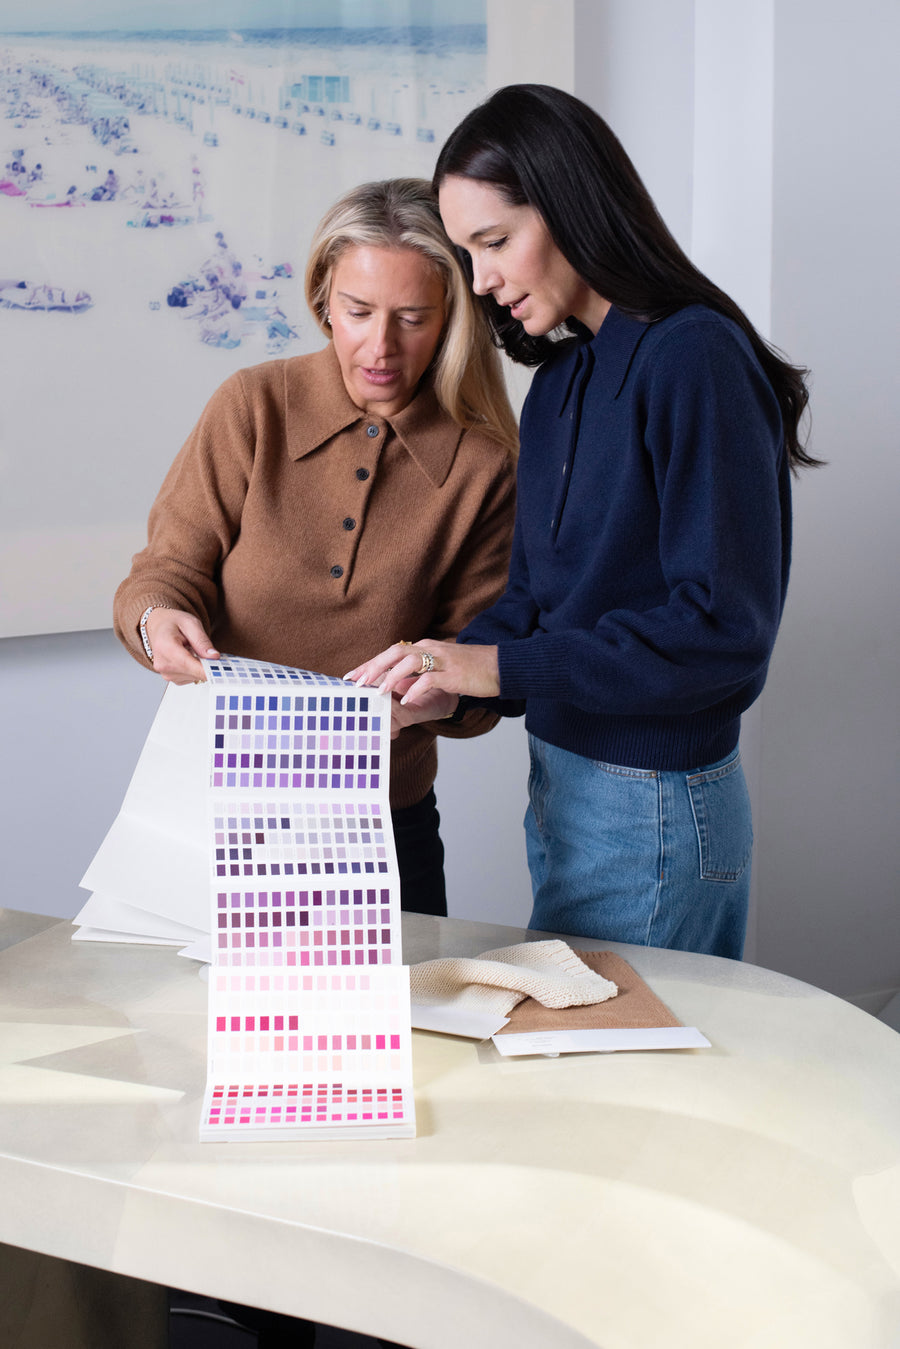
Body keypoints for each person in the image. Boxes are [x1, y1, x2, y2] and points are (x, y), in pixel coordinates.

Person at [347, 85, 819, 962]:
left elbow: (723, 630)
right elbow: (535, 599)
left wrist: (494, 663)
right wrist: (446, 683)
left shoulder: (694, 356)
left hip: (657, 805)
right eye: (466, 252)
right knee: (590, 1079)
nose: (480, 279)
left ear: (571, 204)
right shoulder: (561, 382)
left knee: (625, 1084)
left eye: (493, 242)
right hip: (566, 786)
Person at [114, 177, 518, 925]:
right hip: (214, 804)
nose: (379, 345)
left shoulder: (485, 463)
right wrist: (156, 621)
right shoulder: (253, 405)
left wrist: (445, 690)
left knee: (392, 1039)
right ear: (323, 297)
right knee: (184, 1036)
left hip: (380, 824)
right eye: (359, 312)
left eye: (412, 318)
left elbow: (478, 651)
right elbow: (166, 570)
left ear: (453, 318)